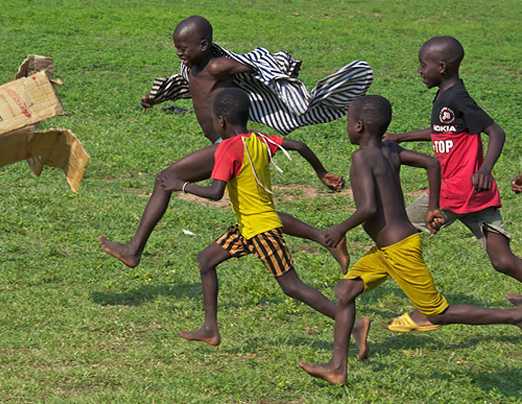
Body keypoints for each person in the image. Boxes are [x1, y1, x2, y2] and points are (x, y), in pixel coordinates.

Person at [99, 15, 373, 268]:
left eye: (183, 48)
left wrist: (277, 69)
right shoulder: (192, 67)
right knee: (259, 215)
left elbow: (254, 67)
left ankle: (134, 249)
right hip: (234, 145)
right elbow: (195, 91)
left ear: (204, 45)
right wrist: (157, 97)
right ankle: (327, 238)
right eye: (177, 48)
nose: (179, 53)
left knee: (164, 179)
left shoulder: (217, 65)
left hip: (227, 146)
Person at [298, 94, 522, 385]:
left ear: (360, 127)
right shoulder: (390, 149)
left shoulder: (361, 157)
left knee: (439, 313)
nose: (348, 127)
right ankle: (337, 368)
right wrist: (432, 206)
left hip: (398, 249)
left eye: (349, 122)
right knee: (345, 292)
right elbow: (432, 163)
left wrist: (341, 228)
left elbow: (368, 208)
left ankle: (514, 317)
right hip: (387, 248)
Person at [159, 88, 371, 356]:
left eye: (214, 120)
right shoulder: (259, 140)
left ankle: (355, 324)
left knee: (293, 287)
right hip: (248, 228)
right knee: (206, 260)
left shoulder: (226, 149)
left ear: (221, 121)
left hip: (261, 230)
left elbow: (215, 193)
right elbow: (300, 146)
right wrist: (321, 173)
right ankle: (210, 329)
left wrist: (182, 185)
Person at [382, 36, 522, 328]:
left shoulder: (457, 97)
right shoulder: (446, 97)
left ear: (442, 67)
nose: (420, 71)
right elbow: (442, 132)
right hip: (472, 195)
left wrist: (485, 168)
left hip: (456, 191)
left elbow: (496, 132)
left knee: (396, 234)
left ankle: (416, 306)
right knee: (502, 261)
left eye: (423, 65)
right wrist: (400, 137)